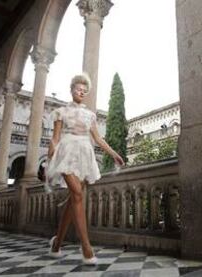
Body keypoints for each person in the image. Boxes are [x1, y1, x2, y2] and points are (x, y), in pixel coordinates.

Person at [46, 73, 124, 265]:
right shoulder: (61, 112)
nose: (80, 92)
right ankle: (86, 247)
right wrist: (51, 151)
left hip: (84, 155)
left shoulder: (90, 115)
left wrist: (113, 153)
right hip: (66, 152)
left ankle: (56, 244)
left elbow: (98, 139)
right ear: (71, 89)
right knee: (78, 194)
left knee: (74, 199)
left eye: (84, 90)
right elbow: (56, 137)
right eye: (77, 88)